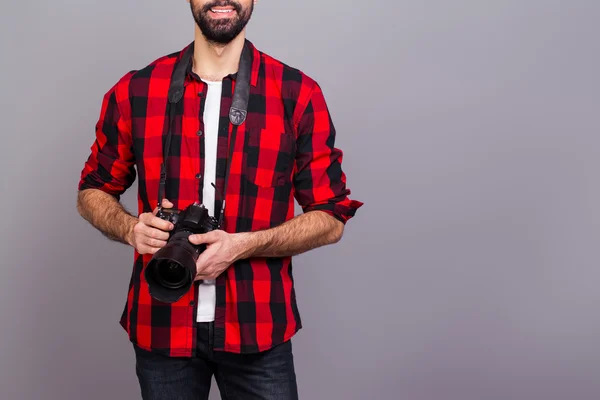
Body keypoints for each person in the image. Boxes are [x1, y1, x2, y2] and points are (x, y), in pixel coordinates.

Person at [76, 0, 363, 398]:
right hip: (161, 323)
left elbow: (331, 216)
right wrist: (130, 229)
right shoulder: (135, 90)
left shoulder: (297, 94)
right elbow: (92, 188)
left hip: (258, 325)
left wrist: (243, 245)